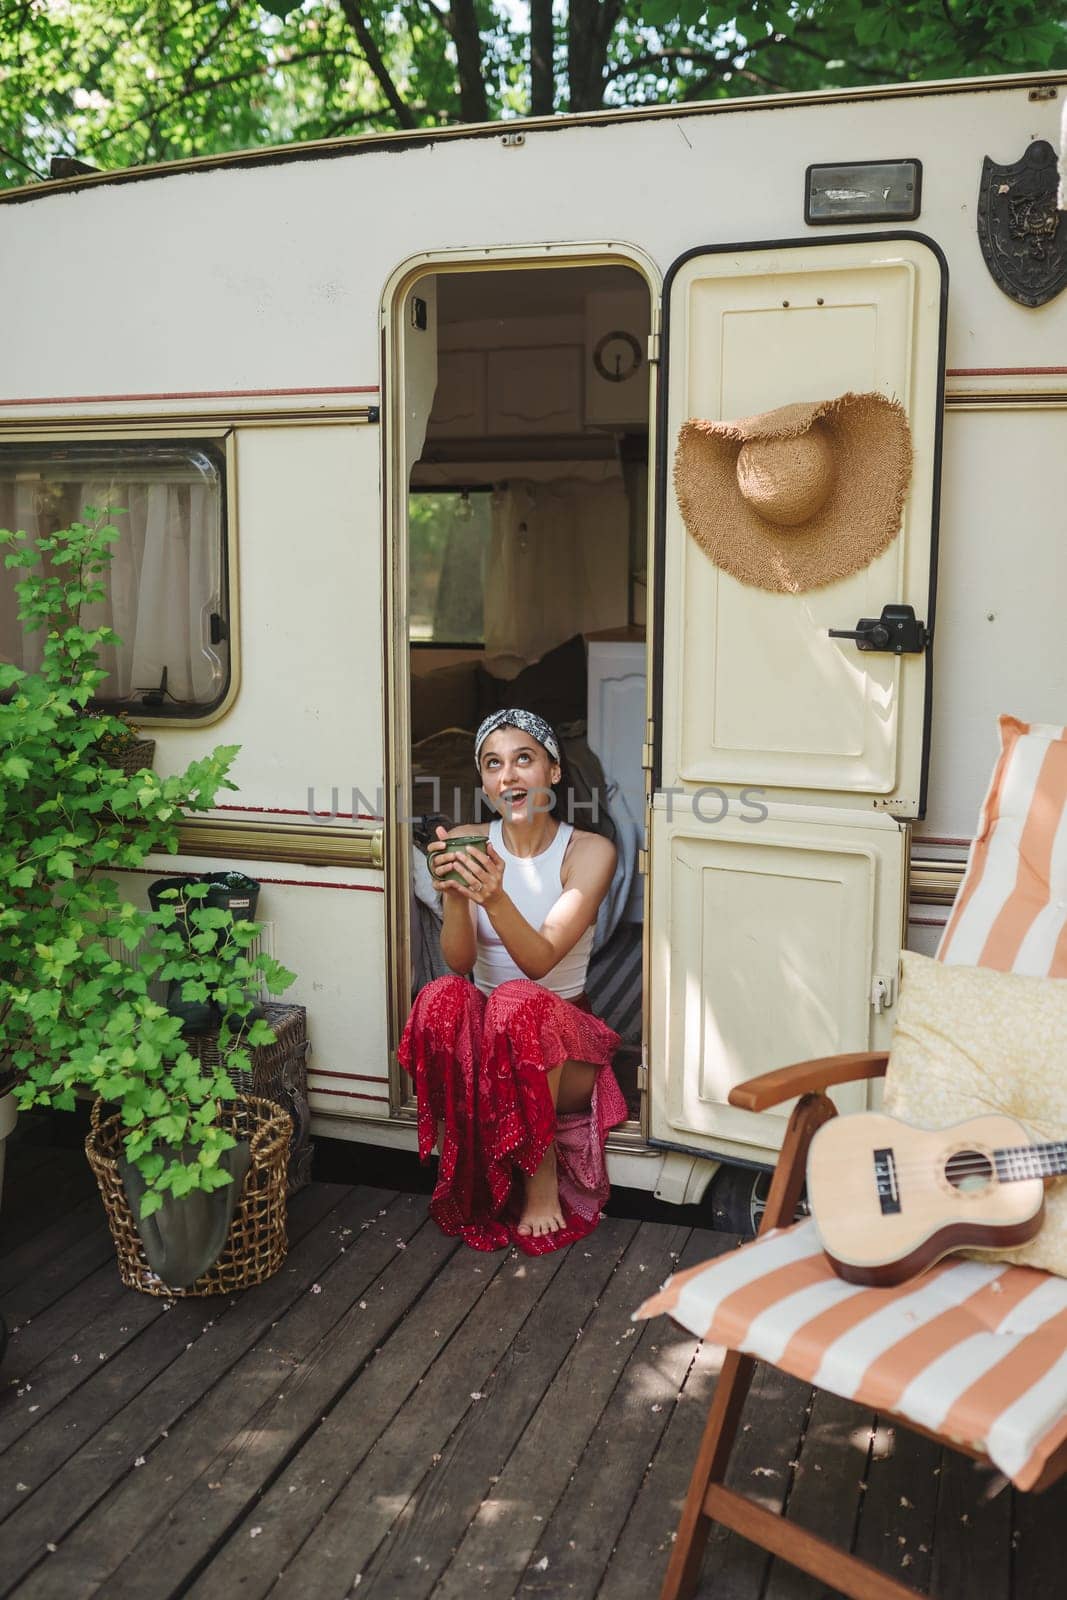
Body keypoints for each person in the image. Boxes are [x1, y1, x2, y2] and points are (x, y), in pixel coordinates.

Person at [398, 708, 628, 1256]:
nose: (509, 777)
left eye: (524, 759)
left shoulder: (589, 852)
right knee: (442, 996)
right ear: (483, 783)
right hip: (491, 1040)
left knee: (517, 1001)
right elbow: (457, 963)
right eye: (493, 765)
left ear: (553, 772)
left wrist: (494, 896)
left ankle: (541, 1182)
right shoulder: (468, 841)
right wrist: (455, 892)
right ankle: (467, 1175)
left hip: (564, 1047)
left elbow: (541, 960)